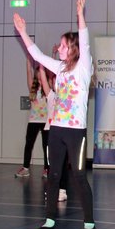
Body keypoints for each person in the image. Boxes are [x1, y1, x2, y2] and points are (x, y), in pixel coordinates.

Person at [13, 0, 97, 229]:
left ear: (72, 49)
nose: (58, 48)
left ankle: (89, 224)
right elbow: (37, 56)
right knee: (53, 175)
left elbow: (84, 40)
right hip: (56, 130)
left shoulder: (83, 67)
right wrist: (23, 32)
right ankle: (49, 220)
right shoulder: (59, 68)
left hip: (76, 132)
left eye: (62, 45)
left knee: (79, 176)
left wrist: (80, 16)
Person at [38, 58, 68, 203]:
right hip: (49, 132)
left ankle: (62, 191)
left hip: (63, 132)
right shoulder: (51, 96)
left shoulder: (68, 98)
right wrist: (41, 65)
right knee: (51, 164)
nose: (56, 84)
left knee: (63, 163)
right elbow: (44, 81)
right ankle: (52, 190)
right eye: (54, 81)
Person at [15, 58, 49, 178]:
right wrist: (28, 60)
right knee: (28, 144)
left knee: (46, 146)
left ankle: (47, 169)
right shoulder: (33, 87)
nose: (39, 73)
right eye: (37, 71)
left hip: (46, 121)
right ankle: (25, 168)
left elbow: (52, 72)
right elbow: (28, 72)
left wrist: (53, 55)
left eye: (41, 71)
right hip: (33, 120)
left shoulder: (48, 86)